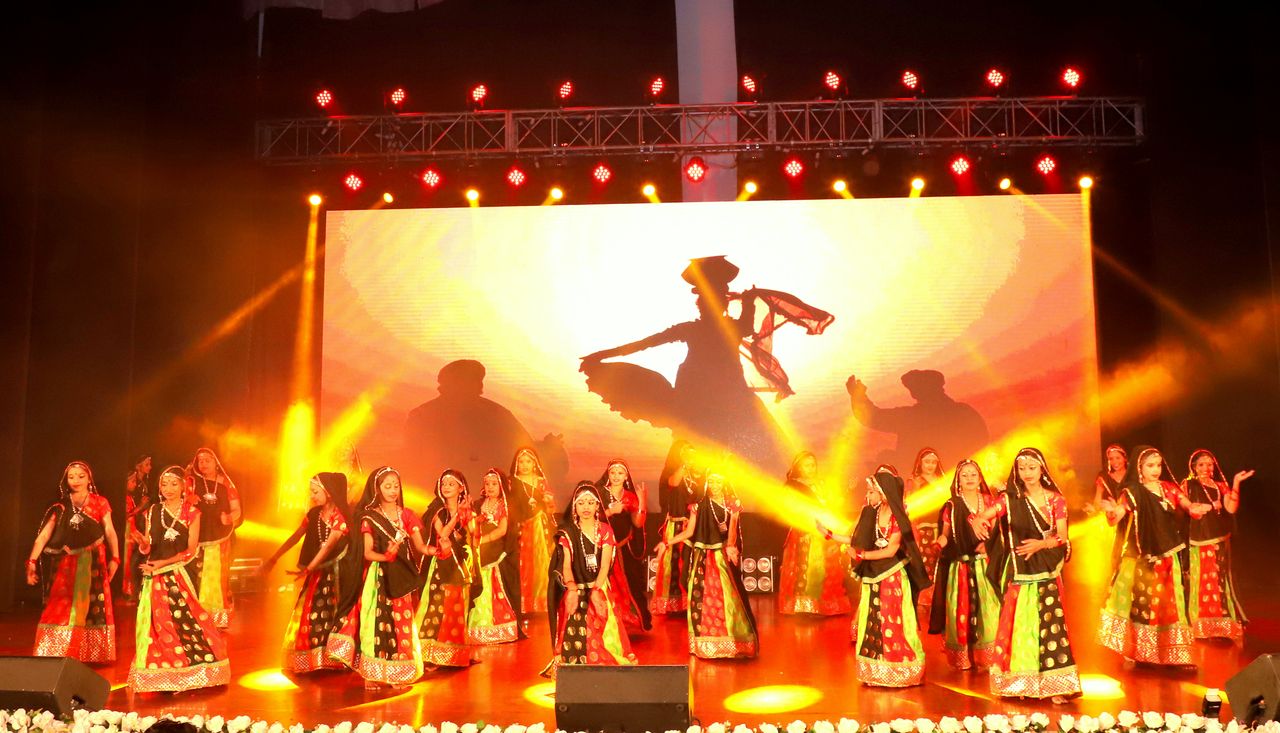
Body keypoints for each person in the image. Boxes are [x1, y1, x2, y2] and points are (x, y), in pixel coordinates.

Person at [971, 448, 1080, 703]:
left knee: (1050, 626)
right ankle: (1019, 682)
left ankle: (1055, 686)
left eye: (1032, 468)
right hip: (1021, 573)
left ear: (1042, 470)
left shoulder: (1056, 501)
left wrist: (1041, 544)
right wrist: (977, 520)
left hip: (1047, 570)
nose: (1027, 473)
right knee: (1019, 626)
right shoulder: (1010, 499)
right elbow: (986, 514)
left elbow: (1062, 537)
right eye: (1022, 469)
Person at [819, 468, 930, 687]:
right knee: (873, 621)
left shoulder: (898, 516)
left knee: (892, 620)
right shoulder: (872, 513)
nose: (867, 495)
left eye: (871, 492)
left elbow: (891, 550)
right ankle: (877, 671)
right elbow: (856, 539)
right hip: (873, 575)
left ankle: (901, 669)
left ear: (883, 493)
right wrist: (830, 535)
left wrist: (862, 556)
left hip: (892, 575)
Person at [128, 465, 229, 692]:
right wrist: (142, 544)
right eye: (164, 484)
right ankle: (160, 672)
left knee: (185, 623)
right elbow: (149, 546)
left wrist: (163, 563)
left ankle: (195, 671)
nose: (169, 489)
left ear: (184, 486)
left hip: (179, 574)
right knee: (156, 627)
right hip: (154, 576)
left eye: (174, 484)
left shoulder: (192, 513)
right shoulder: (153, 511)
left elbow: (190, 550)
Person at [327, 466, 430, 689]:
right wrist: (386, 556)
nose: (393, 491)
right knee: (376, 623)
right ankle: (372, 673)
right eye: (387, 486)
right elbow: (367, 553)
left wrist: (438, 550)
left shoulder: (407, 515)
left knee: (401, 622)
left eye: (396, 486)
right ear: (377, 489)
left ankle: (397, 673)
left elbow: (421, 547)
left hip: (400, 577)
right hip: (378, 578)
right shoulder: (369, 517)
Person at [1097, 446, 1194, 667]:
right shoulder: (1133, 491)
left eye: (1158, 465)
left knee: (1171, 602)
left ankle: (1174, 652)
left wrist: (1195, 508)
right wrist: (1112, 511)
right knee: (1141, 602)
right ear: (1139, 468)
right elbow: (1117, 515)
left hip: (1168, 552)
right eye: (1150, 465)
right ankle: (1135, 650)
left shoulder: (1169, 488)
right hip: (1141, 556)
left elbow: (1187, 505)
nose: (1156, 469)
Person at [263, 472, 362, 673]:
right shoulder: (313, 515)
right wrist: (274, 557)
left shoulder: (340, 517)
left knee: (336, 614)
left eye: (315, 492)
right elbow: (296, 537)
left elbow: (329, 546)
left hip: (339, 574)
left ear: (329, 492)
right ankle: (316, 659)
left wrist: (310, 568)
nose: (312, 496)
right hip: (318, 574)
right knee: (313, 615)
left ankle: (339, 658)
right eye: (311, 492)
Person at [658, 470, 757, 659]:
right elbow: (689, 532)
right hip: (703, 558)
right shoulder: (699, 506)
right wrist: (667, 542)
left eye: (718, 481)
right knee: (702, 598)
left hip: (721, 557)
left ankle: (733, 643)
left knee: (727, 599)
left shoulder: (732, 504)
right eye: (711, 482)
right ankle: (705, 644)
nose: (714, 485)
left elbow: (732, 529)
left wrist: (731, 546)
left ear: (724, 483)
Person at [26, 461, 118, 663]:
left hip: (93, 561)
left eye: (80, 476)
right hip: (65, 564)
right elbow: (44, 536)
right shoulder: (61, 506)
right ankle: (56, 650)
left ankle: (88, 653)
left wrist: (115, 558)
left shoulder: (100, 502)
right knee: (59, 606)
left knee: (89, 606)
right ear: (65, 480)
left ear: (89, 479)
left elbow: (109, 531)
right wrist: (32, 561)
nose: (76, 480)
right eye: (71, 477)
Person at [544, 482, 639, 675]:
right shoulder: (568, 533)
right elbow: (566, 566)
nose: (586, 507)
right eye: (581, 503)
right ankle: (576, 670)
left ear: (597, 506)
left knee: (604, 630)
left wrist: (596, 590)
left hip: (599, 587)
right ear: (574, 507)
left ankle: (603, 666)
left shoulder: (605, 530)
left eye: (590, 502)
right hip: (576, 590)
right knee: (577, 628)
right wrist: (572, 590)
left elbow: (605, 565)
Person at [928, 459, 1001, 671]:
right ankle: (963, 659)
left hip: (984, 564)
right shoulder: (951, 506)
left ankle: (987, 658)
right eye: (965, 475)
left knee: (989, 610)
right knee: (960, 610)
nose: (969, 478)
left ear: (980, 479)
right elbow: (946, 534)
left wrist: (988, 546)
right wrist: (938, 544)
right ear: (958, 480)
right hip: (960, 566)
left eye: (973, 474)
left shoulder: (989, 502)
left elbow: (997, 531)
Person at [846, 371, 989, 472]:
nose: (913, 394)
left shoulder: (912, 417)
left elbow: (873, 417)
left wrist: (858, 396)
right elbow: (982, 440)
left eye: (916, 390)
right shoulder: (963, 411)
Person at [1180, 449, 1252, 641]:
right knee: (1201, 580)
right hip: (1198, 540)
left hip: (1220, 539)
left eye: (1209, 464)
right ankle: (1200, 626)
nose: (1206, 468)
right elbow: (1186, 509)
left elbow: (1231, 508)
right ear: (1194, 467)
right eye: (1201, 464)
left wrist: (1236, 483)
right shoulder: (1188, 485)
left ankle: (1223, 626)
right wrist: (1210, 506)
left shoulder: (1220, 486)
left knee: (1220, 581)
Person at [417, 469, 479, 668]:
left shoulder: (468, 511)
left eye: (451, 484)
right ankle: (430, 654)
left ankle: (453, 654)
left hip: (460, 564)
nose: (446, 487)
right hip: (441, 565)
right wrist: (457, 516)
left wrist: (471, 516)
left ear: (461, 488)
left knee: (458, 606)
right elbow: (443, 534)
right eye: (443, 484)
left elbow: (474, 534)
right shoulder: (437, 510)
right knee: (437, 607)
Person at [777, 452, 851, 616]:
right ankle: (805, 605)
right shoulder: (792, 486)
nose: (811, 468)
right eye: (807, 465)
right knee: (806, 568)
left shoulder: (821, 484)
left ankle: (826, 605)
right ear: (799, 467)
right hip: (803, 531)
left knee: (827, 568)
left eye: (813, 465)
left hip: (823, 530)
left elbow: (831, 505)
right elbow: (787, 509)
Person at [185, 447, 242, 628]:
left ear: (216, 463)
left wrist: (229, 518)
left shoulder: (226, 484)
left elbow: (237, 510)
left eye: (207, 460)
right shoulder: (192, 482)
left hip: (220, 538)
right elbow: (178, 501)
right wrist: (188, 499)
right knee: (195, 577)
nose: (203, 464)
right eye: (200, 461)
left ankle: (218, 620)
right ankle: (197, 618)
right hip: (196, 537)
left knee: (218, 578)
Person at [466, 469, 520, 645]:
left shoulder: (504, 505)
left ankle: (498, 628)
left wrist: (484, 539)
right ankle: (476, 629)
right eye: (487, 483)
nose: (490, 487)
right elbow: (471, 525)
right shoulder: (478, 504)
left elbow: (503, 530)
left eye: (494, 484)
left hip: (496, 551)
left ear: (501, 485)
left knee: (493, 586)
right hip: (479, 551)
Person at [595, 459, 651, 630]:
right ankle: (606, 623)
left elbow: (638, 523)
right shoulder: (599, 493)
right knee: (606, 585)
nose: (616, 476)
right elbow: (590, 517)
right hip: (603, 548)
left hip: (624, 548)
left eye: (620, 473)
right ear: (608, 474)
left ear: (626, 476)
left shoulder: (629, 496)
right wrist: (611, 511)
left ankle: (629, 622)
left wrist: (642, 501)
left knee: (630, 585)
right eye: (613, 473)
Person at [651, 439, 699, 616]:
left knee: (689, 565)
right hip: (675, 524)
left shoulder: (697, 474)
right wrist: (685, 464)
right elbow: (674, 483)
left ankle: (690, 604)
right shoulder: (671, 472)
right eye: (684, 452)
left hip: (693, 524)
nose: (689, 455)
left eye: (691, 452)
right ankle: (673, 605)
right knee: (672, 565)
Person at [508, 446, 555, 618]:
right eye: (521, 461)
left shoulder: (541, 482)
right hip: (521, 528)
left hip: (541, 527)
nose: (525, 465)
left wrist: (549, 502)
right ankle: (524, 604)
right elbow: (509, 506)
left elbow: (551, 509)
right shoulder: (512, 482)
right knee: (524, 564)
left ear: (535, 463)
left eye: (528, 461)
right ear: (516, 464)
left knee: (543, 563)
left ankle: (542, 603)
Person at [1094, 445, 1130, 576]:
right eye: (1111, 459)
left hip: (1132, 517)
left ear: (1124, 458)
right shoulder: (1104, 477)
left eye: (1118, 458)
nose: (1115, 462)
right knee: (1117, 555)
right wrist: (1099, 508)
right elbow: (1097, 502)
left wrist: (1120, 506)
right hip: (1115, 521)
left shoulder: (1134, 475)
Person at [122, 453, 153, 602]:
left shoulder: (140, 487)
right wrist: (141, 506)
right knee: (128, 561)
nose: (134, 485)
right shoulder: (126, 498)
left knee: (134, 560)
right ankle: (128, 591)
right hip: (129, 531)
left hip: (135, 528)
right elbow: (127, 515)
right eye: (146, 464)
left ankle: (133, 590)